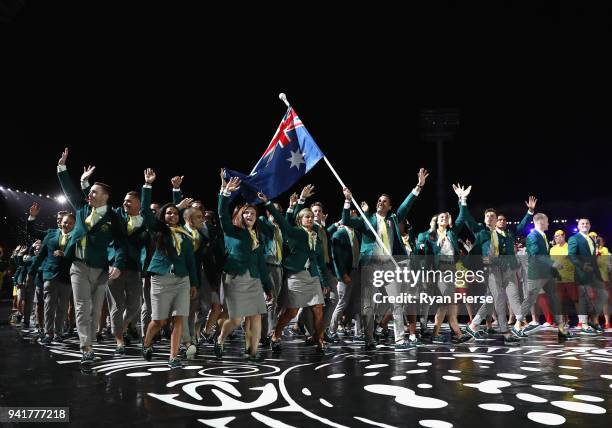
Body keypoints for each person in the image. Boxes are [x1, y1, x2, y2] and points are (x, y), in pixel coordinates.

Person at [56, 148, 127, 365]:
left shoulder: (113, 218)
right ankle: (86, 347)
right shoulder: (82, 209)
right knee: (82, 307)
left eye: (95, 192)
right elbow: (70, 191)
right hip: (78, 266)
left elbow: (122, 243)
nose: (91, 194)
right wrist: (63, 168)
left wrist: (117, 263)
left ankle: (90, 339)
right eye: (90, 191)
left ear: (105, 197)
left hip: (101, 270)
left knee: (96, 310)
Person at [215, 176, 272, 361]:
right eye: (246, 213)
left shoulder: (256, 237)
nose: (250, 216)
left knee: (255, 317)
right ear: (240, 215)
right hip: (235, 278)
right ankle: (221, 338)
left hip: (254, 279)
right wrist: (225, 193)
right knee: (236, 319)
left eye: (253, 214)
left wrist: (267, 286)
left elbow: (261, 264)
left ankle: (252, 352)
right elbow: (222, 213)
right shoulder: (231, 231)